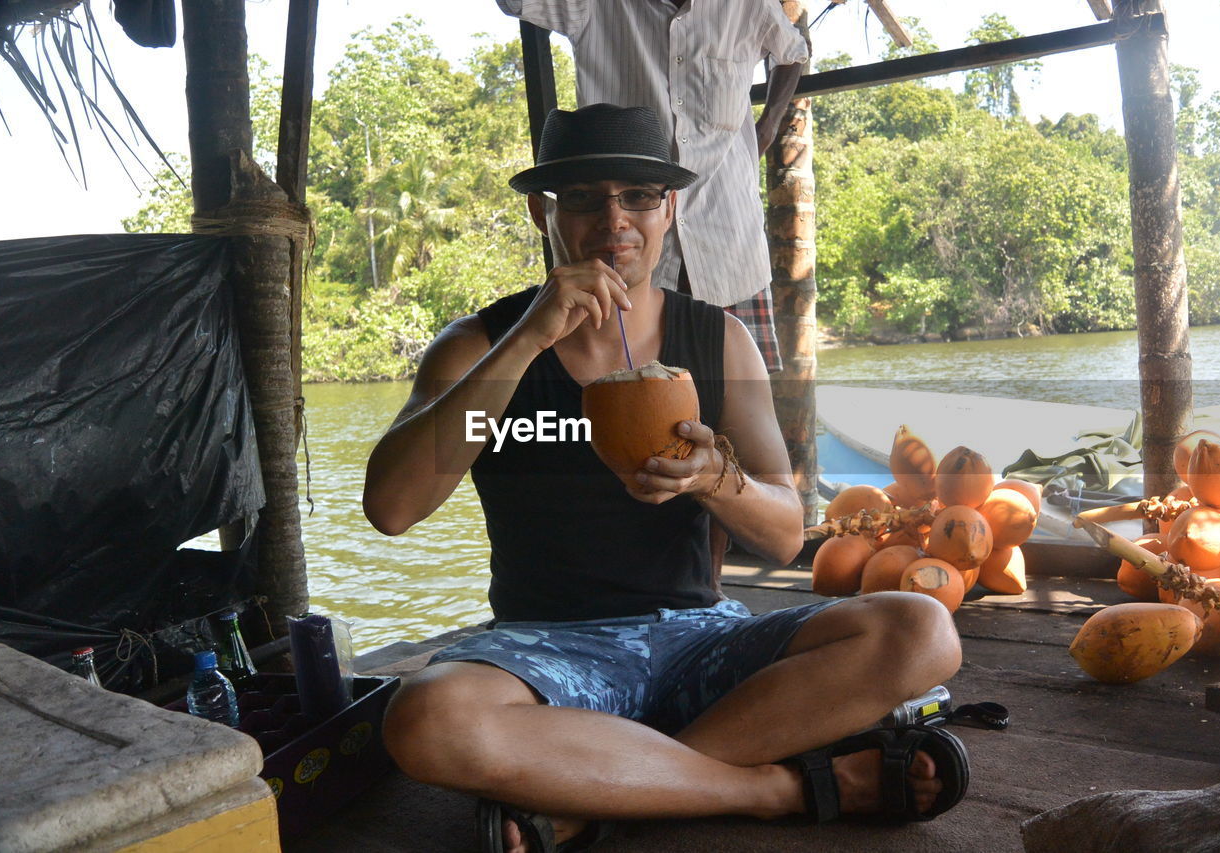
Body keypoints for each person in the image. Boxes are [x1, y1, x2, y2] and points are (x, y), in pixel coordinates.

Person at [365, 104, 967, 853]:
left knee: (921, 630)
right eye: (582, 197)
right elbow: (391, 509)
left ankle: (594, 796)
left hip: (696, 638)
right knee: (426, 717)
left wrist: (717, 479)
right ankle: (774, 787)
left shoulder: (717, 339)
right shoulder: (480, 346)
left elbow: (786, 533)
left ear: (669, 209)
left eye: (638, 196)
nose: (613, 219)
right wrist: (529, 340)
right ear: (540, 211)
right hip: (546, 652)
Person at [495, 0, 809, 374]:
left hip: (729, 246)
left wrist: (768, 126)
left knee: (738, 408)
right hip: (625, 262)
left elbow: (792, 52)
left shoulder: (744, 5)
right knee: (633, 403)